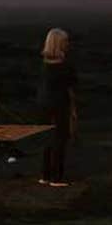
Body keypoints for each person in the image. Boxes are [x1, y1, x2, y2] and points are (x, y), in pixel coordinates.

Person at [37, 28, 78, 187]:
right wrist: (74, 110)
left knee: (47, 140)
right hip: (60, 105)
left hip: (43, 105)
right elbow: (71, 89)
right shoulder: (65, 66)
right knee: (60, 140)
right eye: (65, 41)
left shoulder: (44, 66)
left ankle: (45, 175)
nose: (68, 44)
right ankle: (56, 178)